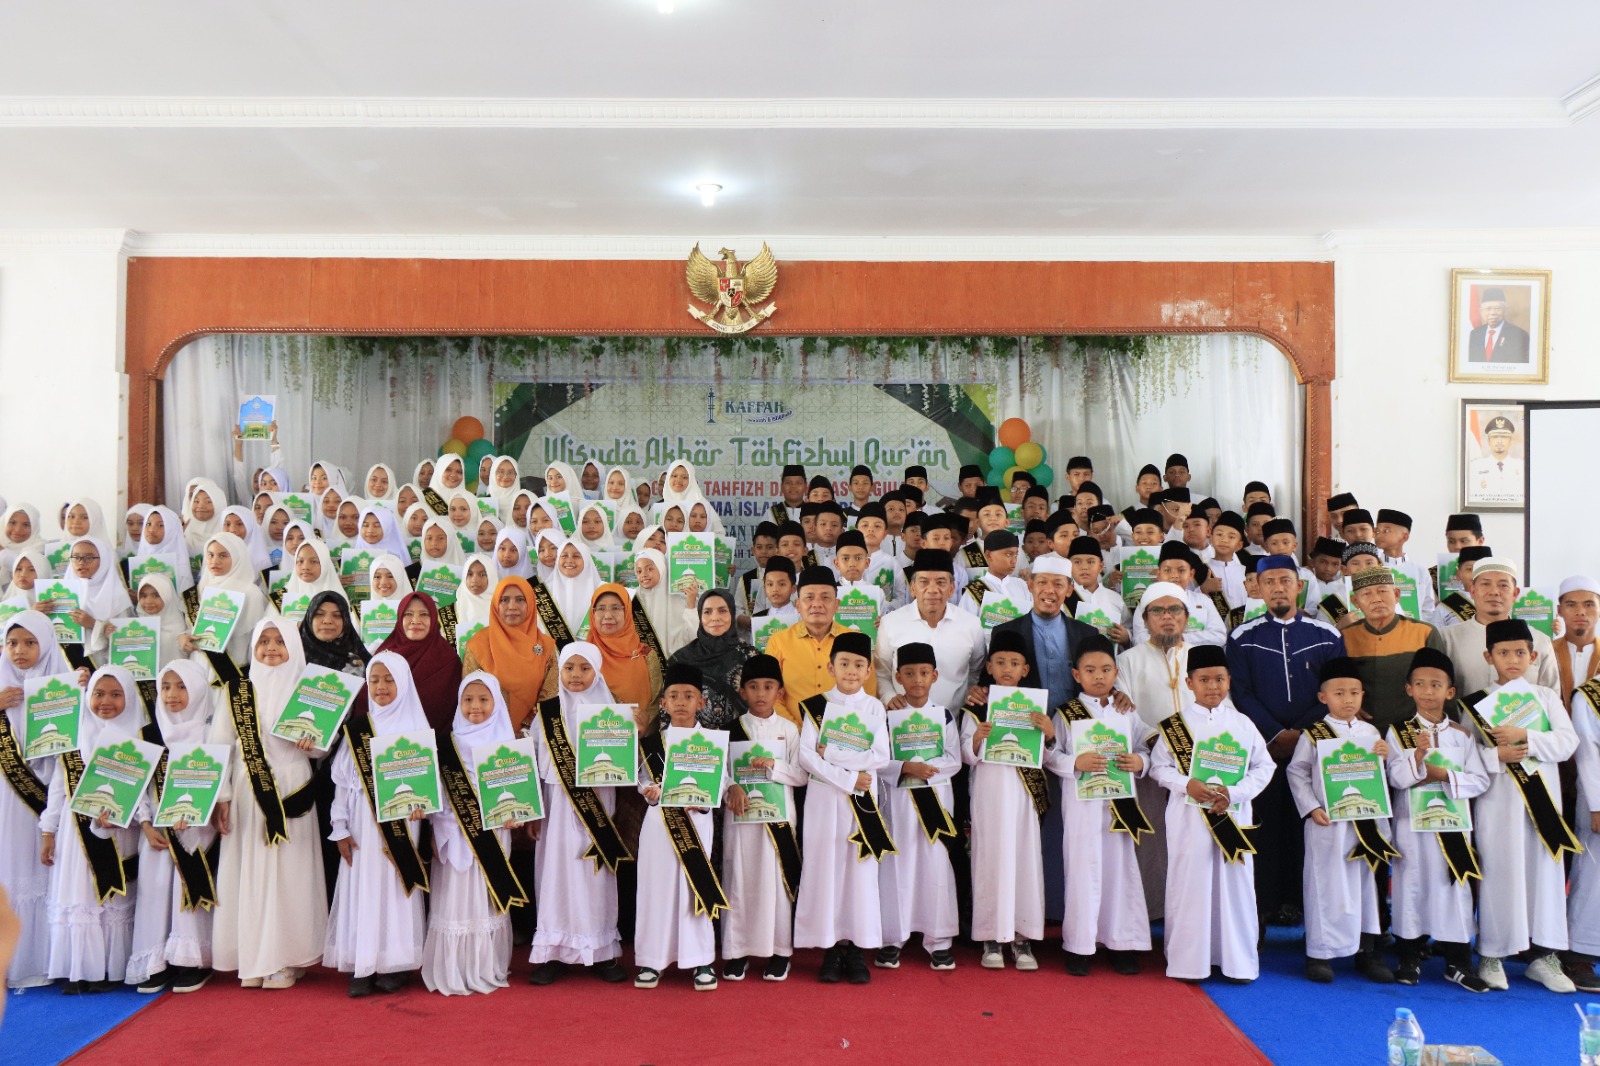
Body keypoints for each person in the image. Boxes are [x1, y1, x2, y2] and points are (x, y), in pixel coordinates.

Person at [1226, 555, 1345, 927]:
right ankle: (1263, 905)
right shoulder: (1242, 637)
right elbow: (1240, 692)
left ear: (1299, 586)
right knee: (1267, 824)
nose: (1278, 587)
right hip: (1264, 749)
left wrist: (1302, 734)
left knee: (1306, 823)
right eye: (1270, 581)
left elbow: (1334, 690)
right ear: (1258, 589)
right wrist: (1276, 734)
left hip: (1313, 747)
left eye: (1285, 580)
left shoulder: (1326, 634)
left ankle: (1301, 902)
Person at [209, 619, 328, 989]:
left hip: (292, 789)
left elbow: (325, 744)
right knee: (252, 873)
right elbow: (220, 747)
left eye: (280, 641)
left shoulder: (310, 689)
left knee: (289, 874)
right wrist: (222, 797)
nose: (271, 648)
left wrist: (314, 743)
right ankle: (255, 957)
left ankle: (287, 958)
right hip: (247, 792)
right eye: (263, 640)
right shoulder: (236, 691)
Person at [1149, 644, 1274, 983]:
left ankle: (1237, 963)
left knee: (1235, 888)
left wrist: (1235, 792)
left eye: (1219, 679)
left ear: (1229, 680)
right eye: (1204, 679)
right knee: (1190, 885)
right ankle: (1189, 963)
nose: (1213, 686)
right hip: (1189, 820)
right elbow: (1158, 767)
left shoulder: (1243, 723)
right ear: (1189, 683)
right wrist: (1186, 783)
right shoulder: (1175, 727)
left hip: (1233, 817)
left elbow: (1265, 766)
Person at [1471, 618, 1580, 993]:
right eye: (1503, 653)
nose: (1512, 659)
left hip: (1543, 802)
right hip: (1497, 803)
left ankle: (1544, 956)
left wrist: (1526, 737)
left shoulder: (1546, 697)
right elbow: (1467, 758)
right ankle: (1492, 954)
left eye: (1520, 652)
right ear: (1489, 656)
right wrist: (1495, 755)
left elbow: (1567, 743)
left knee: (1544, 878)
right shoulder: (1477, 702)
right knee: (1501, 872)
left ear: (1533, 656)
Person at [1044, 634, 1153, 976]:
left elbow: (1146, 747)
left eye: (1106, 669)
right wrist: (1075, 762)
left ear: (1116, 672)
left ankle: (1122, 943)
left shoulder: (1126, 710)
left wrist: (1141, 763)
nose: (1099, 676)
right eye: (1090, 670)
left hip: (1120, 805)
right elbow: (1050, 754)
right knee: (1083, 871)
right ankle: (1080, 945)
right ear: (1076, 675)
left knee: (1120, 870)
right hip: (1082, 806)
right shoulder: (1067, 713)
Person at [1385, 648, 1492, 993]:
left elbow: (1480, 780)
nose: (1428, 691)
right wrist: (1417, 758)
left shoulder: (1462, 736)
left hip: (1452, 826)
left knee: (1454, 889)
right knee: (1410, 887)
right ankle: (1409, 955)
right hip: (1411, 826)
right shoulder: (1398, 732)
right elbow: (1396, 778)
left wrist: (1444, 774)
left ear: (1450, 692)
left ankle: (1458, 962)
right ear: (1409, 689)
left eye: (1436, 685)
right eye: (1420, 684)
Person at [1287, 657, 1396, 984]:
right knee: (1326, 885)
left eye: (1354, 693)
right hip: (1328, 824)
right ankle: (1320, 953)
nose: (1347, 700)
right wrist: (1310, 807)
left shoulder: (1372, 732)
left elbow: (1384, 776)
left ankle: (1366, 950)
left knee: (1365, 886)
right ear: (1324, 697)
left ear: (1363, 695)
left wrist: (1385, 756)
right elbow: (1297, 772)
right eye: (1339, 693)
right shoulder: (1315, 733)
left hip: (1365, 823)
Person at [527, 643, 630, 986]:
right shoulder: (547, 714)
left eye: (584, 668)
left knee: (595, 876)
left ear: (597, 671)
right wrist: (533, 813)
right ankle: (554, 952)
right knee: (555, 877)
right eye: (569, 667)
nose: (575, 675)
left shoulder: (613, 712)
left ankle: (600, 951)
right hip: (556, 810)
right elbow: (537, 767)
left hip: (597, 808)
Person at [634, 662, 739, 991]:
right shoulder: (653, 743)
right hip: (658, 826)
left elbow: (721, 781)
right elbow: (643, 781)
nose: (681, 701)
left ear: (701, 703)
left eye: (688, 696)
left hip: (696, 821)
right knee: (657, 890)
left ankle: (701, 960)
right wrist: (649, 792)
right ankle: (653, 960)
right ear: (663, 703)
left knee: (695, 887)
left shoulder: (712, 742)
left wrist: (709, 797)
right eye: (674, 695)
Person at [794, 630, 891, 984]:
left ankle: (857, 948)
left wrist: (832, 752)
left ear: (868, 671)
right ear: (832, 667)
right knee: (826, 870)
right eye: (844, 663)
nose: (851, 670)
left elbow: (879, 755)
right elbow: (806, 756)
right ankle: (830, 948)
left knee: (858, 872)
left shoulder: (874, 707)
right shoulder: (815, 706)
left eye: (859, 665)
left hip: (861, 805)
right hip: (826, 799)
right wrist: (849, 778)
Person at [40, 665, 142, 992]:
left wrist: (128, 815)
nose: (105, 701)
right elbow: (58, 786)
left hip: (118, 828)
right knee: (80, 893)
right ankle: (79, 969)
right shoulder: (75, 735)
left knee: (109, 896)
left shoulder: (138, 738)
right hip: (75, 832)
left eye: (115, 694)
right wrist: (48, 830)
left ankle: (107, 969)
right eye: (98, 693)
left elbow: (146, 793)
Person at [422, 672, 520, 996]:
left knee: (485, 900)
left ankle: (483, 966)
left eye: (483, 699)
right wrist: (436, 826)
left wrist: (516, 814)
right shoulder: (446, 744)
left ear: (497, 703)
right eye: (467, 700)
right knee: (453, 900)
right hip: (453, 832)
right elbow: (435, 792)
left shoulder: (508, 745)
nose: (474, 707)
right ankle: (454, 969)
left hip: (492, 834)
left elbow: (519, 796)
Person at [126, 660, 220, 994]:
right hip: (158, 832)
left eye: (181, 686)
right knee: (155, 892)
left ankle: (191, 959)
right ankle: (155, 961)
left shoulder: (210, 733)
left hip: (198, 827)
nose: (172, 695)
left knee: (187, 888)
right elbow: (139, 785)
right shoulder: (150, 735)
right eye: (165, 686)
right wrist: (146, 823)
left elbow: (221, 781)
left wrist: (199, 813)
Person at [961, 628, 1049, 972]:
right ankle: (991, 937)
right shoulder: (977, 707)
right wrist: (979, 739)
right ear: (990, 667)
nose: (1007, 668)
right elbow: (966, 754)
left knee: (1025, 859)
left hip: (1024, 795)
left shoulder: (1036, 707)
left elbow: (1050, 755)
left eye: (1014, 663)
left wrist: (1050, 733)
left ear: (1025, 669)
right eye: (1000, 662)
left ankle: (1022, 937)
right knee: (990, 860)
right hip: (989, 792)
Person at [1, 613, 78, 989]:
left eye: (30, 643)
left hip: (46, 800)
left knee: (41, 870)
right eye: (13, 643)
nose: (20, 651)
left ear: (46, 644)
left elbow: (67, 757)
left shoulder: (62, 687)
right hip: (4, 800)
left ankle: (45, 960)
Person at [719, 653, 806, 982]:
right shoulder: (731, 730)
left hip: (779, 819)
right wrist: (730, 789)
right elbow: (719, 772)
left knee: (776, 884)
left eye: (768, 686)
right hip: (740, 820)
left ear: (779, 692)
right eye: (753, 686)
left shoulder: (790, 731)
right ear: (742, 692)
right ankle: (737, 952)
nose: (760, 693)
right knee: (740, 881)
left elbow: (801, 776)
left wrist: (774, 766)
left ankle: (780, 952)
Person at [875, 642, 960, 973]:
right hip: (898, 801)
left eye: (924, 673)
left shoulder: (945, 715)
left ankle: (939, 941)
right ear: (897, 677)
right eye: (909, 673)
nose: (917, 680)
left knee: (935, 866)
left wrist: (926, 768)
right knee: (897, 867)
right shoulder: (888, 717)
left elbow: (954, 758)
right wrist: (905, 768)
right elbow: (879, 760)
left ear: (935, 676)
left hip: (935, 801)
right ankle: (892, 938)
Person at [874, 549, 986, 715]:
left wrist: (972, 691)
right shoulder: (891, 623)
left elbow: (977, 672)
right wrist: (889, 696)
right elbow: (881, 672)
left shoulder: (971, 624)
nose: (932, 590)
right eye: (924, 582)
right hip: (904, 724)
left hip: (955, 723)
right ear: (912, 588)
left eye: (941, 582)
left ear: (951, 588)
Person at [1342, 566, 1447, 736]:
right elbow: (1337, 684)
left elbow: (1441, 683)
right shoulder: (1345, 636)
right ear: (1355, 602)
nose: (1376, 599)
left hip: (1415, 731)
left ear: (1397, 595)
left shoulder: (1425, 633)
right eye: (1367, 594)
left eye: (1383, 591)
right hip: (1361, 732)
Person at [767, 566, 878, 726]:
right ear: (798, 605)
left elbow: (867, 696)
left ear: (836, 604)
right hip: (792, 738)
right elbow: (772, 696)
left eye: (825, 598)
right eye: (809, 597)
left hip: (845, 737)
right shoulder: (779, 642)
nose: (817, 604)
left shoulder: (856, 641)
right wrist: (797, 731)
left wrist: (842, 735)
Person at [1441, 558, 1559, 694]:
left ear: (1515, 594)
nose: (1494, 592)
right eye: (1485, 584)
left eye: (1503, 585)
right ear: (1472, 591)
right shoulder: (1448, 638)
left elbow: (1551, 693)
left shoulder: (1539, 640)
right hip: (1465, 716)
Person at [462, 577, 559, 732]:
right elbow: (470, 695)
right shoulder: (478, 644)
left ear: (531, 604)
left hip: (535, 734)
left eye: (520, 600)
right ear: (495, 605)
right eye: (504, 600)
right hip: (488, 733)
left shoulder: (546, 647)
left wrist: (527, 728)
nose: (512, 606)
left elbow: (550, 694)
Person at [668, 590, 755, 731]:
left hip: (742, 744)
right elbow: (667, 710)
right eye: (707, 612)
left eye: (722, 611)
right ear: (700, 616)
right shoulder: (681, 660)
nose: (715, 618)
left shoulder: (750, 656)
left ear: (732, 614)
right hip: (693, 746)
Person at [374, 592, 461, 729]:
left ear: (433, 618)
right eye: (408, 614)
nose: (415, 620)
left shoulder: (448, 660)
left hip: (434, 744)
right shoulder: (383, 657)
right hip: (385, 743)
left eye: (424, 614)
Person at [1467, 289, 1531, 362]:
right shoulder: (1475, 334)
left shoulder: (1519, 335)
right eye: (1488, 309)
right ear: (1481, 312)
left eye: (1497, 308)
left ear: (1505, 311)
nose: (1492, 313)